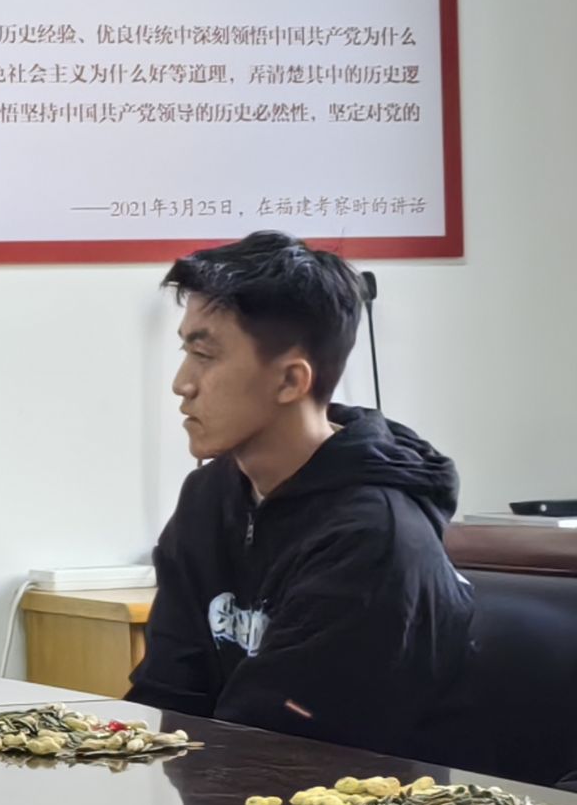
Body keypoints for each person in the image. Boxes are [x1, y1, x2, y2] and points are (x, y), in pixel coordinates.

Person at [128, 232, 472, 762]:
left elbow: (284, 748)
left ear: (290, 381)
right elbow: (167, 698)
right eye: (185, 350)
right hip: (234, 793)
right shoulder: (209, 497)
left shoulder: (373, 538)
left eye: (204, 354)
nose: (182, 383)